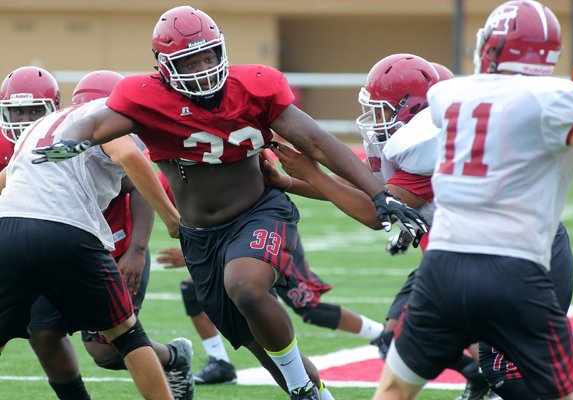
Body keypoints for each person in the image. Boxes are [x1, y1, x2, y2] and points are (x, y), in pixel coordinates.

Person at [30, 6, 428, 399]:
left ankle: (302, 386)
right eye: (189, 62)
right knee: (260, 343)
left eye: (209, 56)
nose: (203, 68)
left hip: (258, 212)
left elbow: (316, 142)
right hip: (200, 235)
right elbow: (97, 122)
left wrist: (379, 194)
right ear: (164, 66)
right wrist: (72, 138)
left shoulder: (254, 85)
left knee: (247, 286)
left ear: (222, 50)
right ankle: (314, 393)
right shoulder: (145, 96)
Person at [373, 0, 573, 398]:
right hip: (515, 270)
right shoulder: (555, 97)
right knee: (564, 394)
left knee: (393, 388)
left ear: (492, 45)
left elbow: (504, 113)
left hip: (443, 267)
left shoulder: (448, 94)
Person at [262, 55, 489, 400]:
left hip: (478, 264)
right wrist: (290, 181)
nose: (373, 120)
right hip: (448, 261)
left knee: (484, 349)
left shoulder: (430, 148)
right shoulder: (414, 146)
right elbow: (358, 188)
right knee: (398, 337)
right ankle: (481, 378)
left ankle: (487, 380)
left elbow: (374, 211)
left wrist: (311, 174)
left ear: (413, 111)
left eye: (382, 110)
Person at [0, 71, 183, 399]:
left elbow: (6, 179)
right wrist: (173, 221)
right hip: (66, 230)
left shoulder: (42, 126)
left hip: (8, 228)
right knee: (126, 336)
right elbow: (129, 156)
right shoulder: (104, 116)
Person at [156, 169, 385, 385]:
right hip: (222, 244)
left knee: (308, 307)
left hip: (259, 235)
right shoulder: (170, 177)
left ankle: (382, 334)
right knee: (193, 291)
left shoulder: (213, 159)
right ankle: (219, 360)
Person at [0, 66, 60, 171]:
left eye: (35, 111)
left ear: (54, 108)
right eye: (18, 111)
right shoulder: (2, 147)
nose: (25, 120)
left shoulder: (64, 144)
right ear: (6, 112)